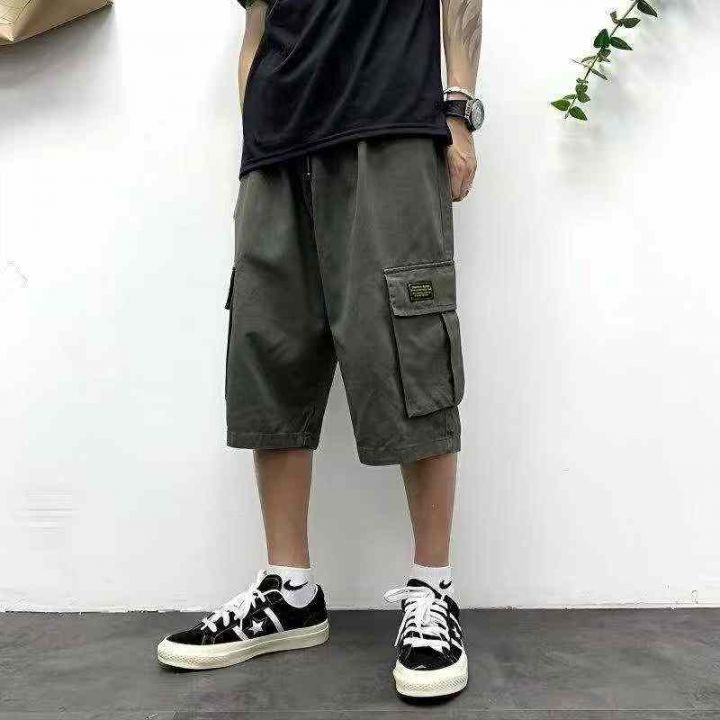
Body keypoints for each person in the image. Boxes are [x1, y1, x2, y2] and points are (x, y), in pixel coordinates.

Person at [157, 0, 484, 700]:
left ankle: (433, 588)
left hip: (389, 126)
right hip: (276, 151)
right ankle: (290, 590)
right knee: (267, 348)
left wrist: (458, 109)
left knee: (410, 347)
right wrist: (255, 143)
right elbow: (256, 31)